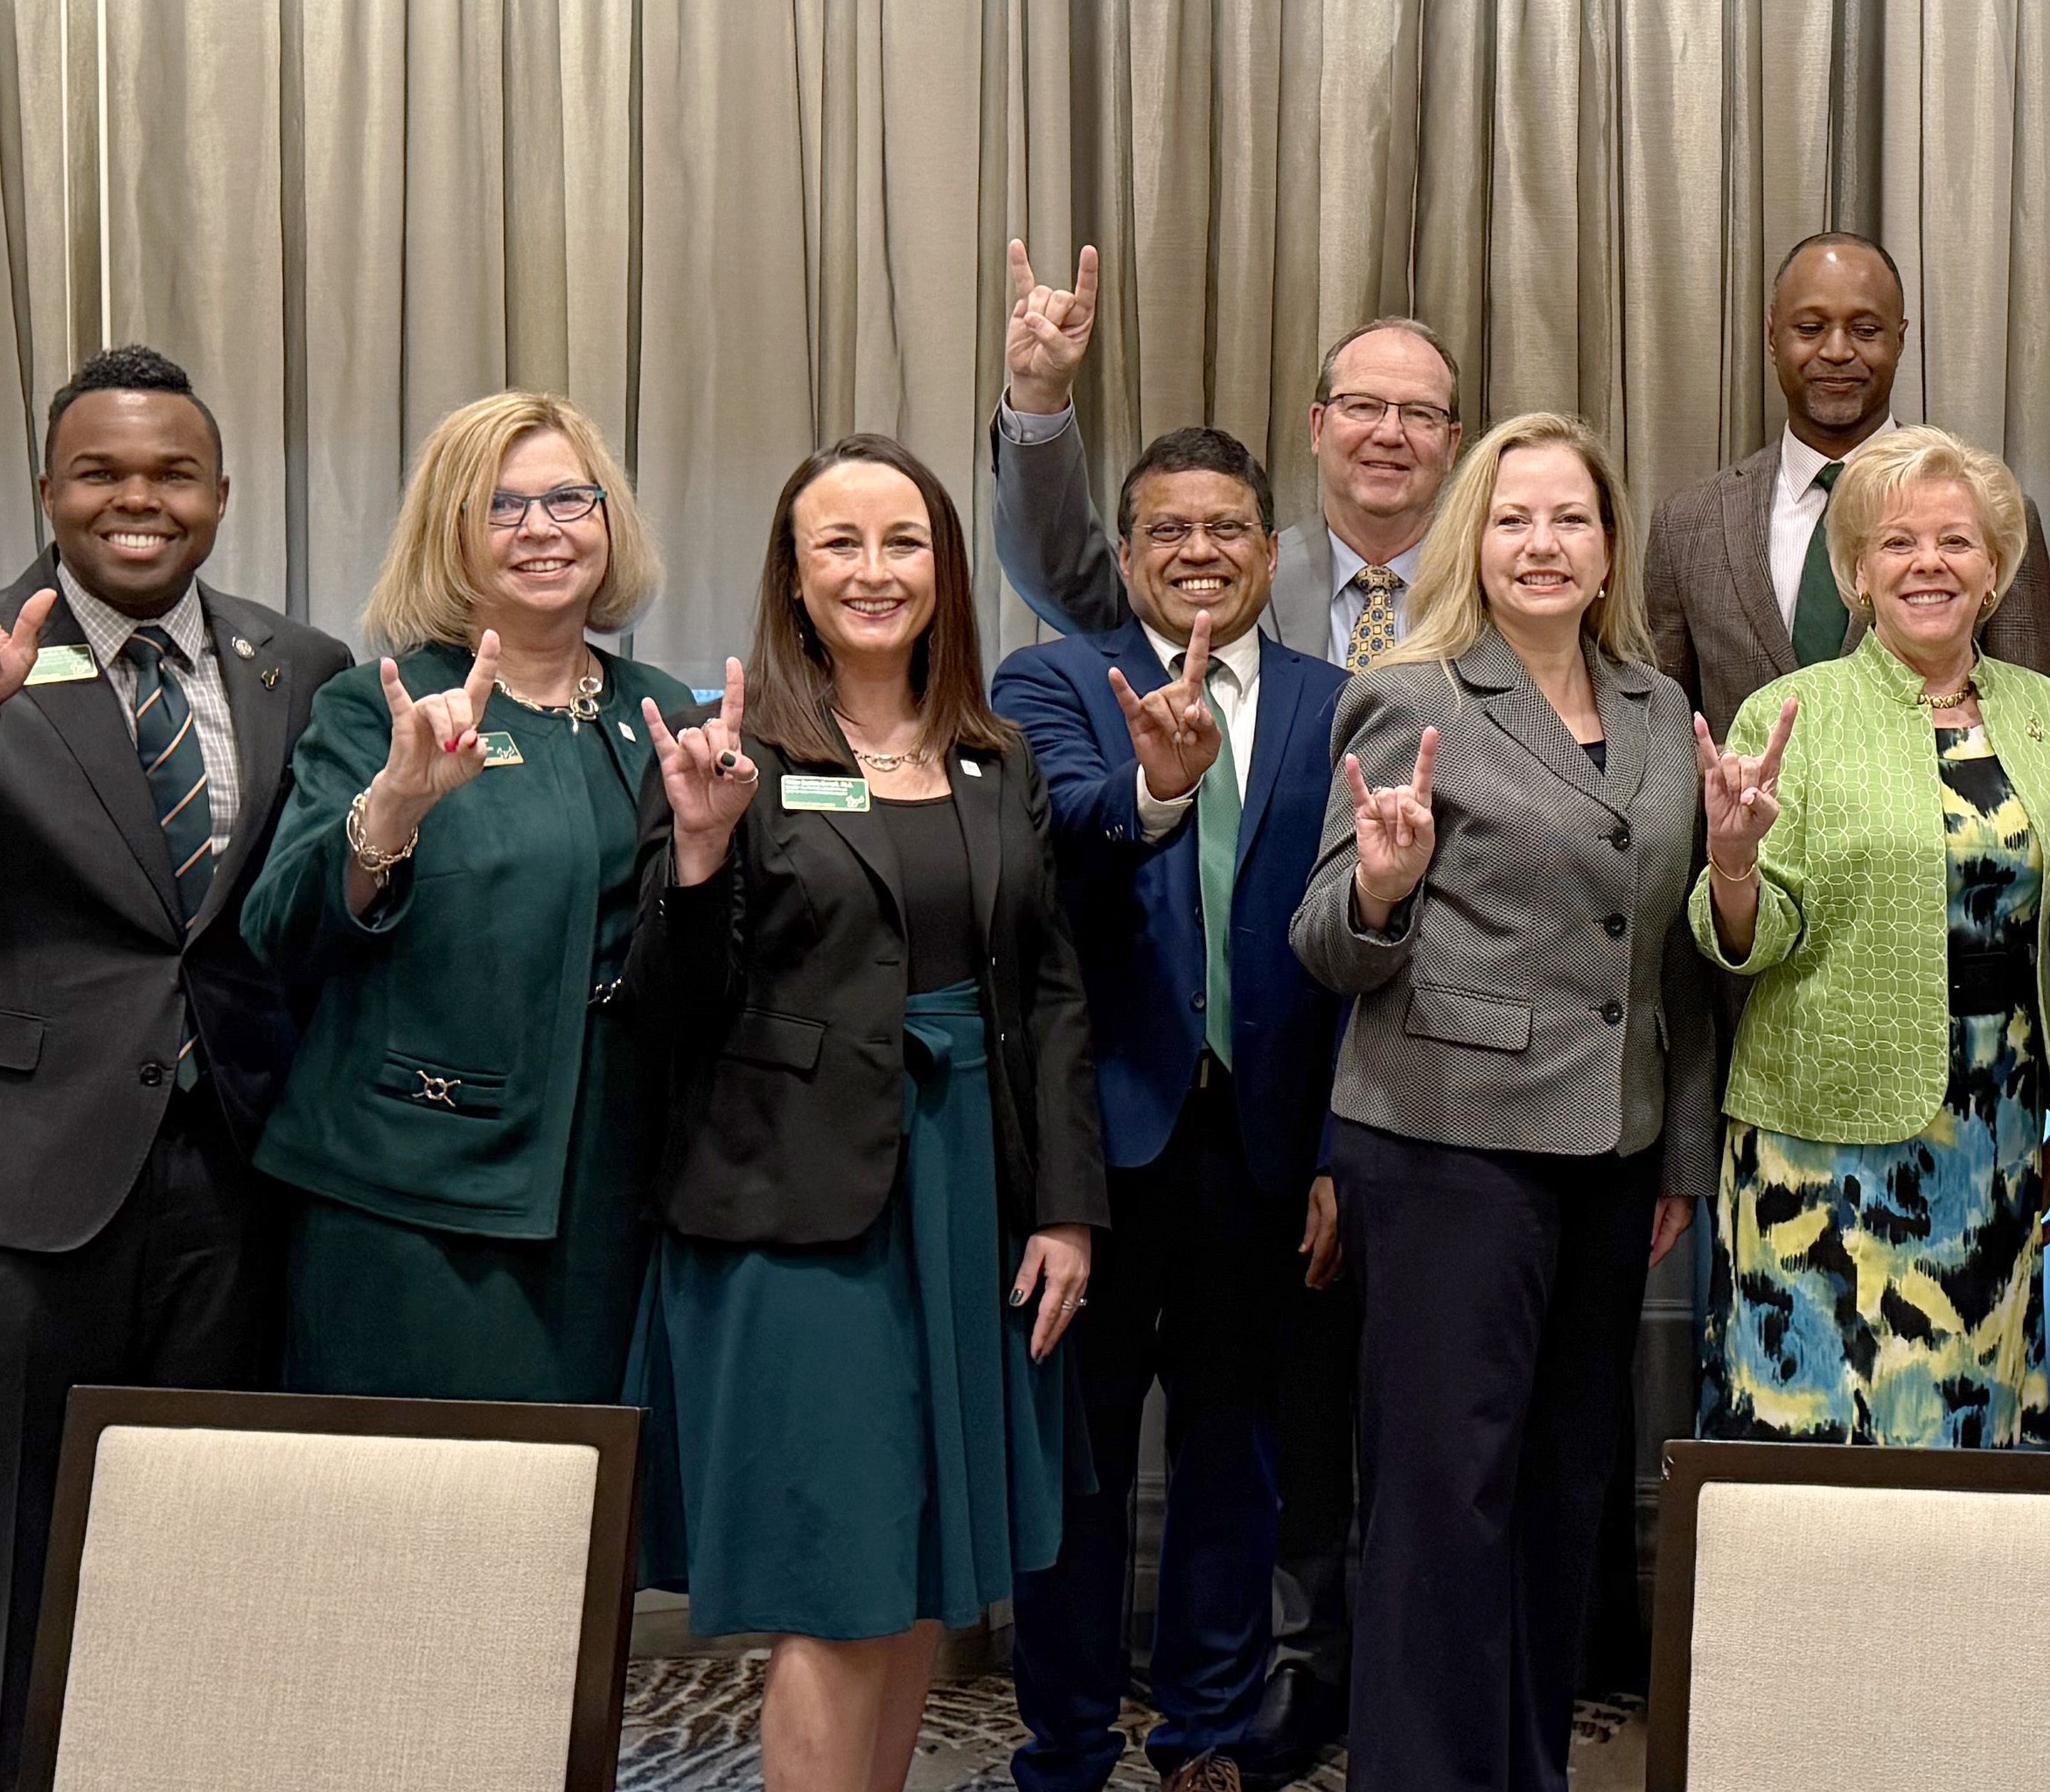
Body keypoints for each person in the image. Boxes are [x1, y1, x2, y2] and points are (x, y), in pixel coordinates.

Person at [0, 347, 352, 1792]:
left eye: (171, 473)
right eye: (101, 472)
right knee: (16, 1556)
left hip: (235, 1181)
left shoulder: (300, 667)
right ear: (48, 490)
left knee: (198, 1560)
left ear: (221, 493)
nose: (137, 500)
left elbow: (301, 916)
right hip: (7, 1190)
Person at [984, 246, 1419, 1755]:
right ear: (1126, 546)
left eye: (1225, 529)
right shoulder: (1050, 683)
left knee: (1239, 1466)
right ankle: (1057, 1746)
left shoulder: (1334, 698)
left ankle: (1206, 1742)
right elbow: (1070, 847)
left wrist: (1331, 1160)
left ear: (1266, 546)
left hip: (1264, 1150)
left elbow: (1361, 942)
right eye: (1165, 528)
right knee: (1084, 1468)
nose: (1196, 551)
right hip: (1094, 1150)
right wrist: (1157, 796)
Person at [624, 434, 1102, 1792]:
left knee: (918, 1577)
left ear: (945, 571)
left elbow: (1051, 996)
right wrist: (703, 853)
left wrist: (1065, 1207)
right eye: (840, 543)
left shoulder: (993, 756)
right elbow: (665, 1008)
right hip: (792, 1209)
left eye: (903, 542)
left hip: (970, 1194)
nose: (874, 570)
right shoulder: (733, 752)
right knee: (836, 1576)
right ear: (791, 571)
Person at [1289, 412, 1720, 1792]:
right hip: (1442, 1144)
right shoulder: (1413, 695)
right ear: (1474, 537)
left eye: (1571, 521)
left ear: (1607, 548)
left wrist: (1677, 1159)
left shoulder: (1660, 710)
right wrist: (1380, 885)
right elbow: (1319, 938)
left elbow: (1668, 963)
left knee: (1559, 1494)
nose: (1542, 544)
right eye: (1514, 518)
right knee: (1442, 1499)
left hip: (1612, 1148)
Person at [239, 391, 696, 1401]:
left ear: (608, 520)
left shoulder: (657, 708)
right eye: (502, 506)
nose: (542, 529)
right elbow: (279, 929)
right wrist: (390, 809)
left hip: (607, 1196)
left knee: (576, 1527)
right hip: (411, 1200)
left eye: (569, 499)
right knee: (414, 1531)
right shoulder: (382, 703)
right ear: (452, 536)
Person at [1688, 425, 2050, 1447]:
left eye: (1957, 542)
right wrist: (1732, 862)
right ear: (1858, 572)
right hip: (1816, 1147)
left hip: (1996, 1133)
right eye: (1898, 543)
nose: (1929, 564)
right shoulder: (1791, 712)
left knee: (1966, 1428)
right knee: (1811, 1436)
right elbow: (1745, 936)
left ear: (1996, 570)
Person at [1642, 230, 2050, 728]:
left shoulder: (1989, 513)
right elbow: (1663, 733)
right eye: (1811, 327)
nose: (1837, 351)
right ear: (1773, 336)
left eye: (1865, 330)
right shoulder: (1687, 525)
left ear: (1900, 340)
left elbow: (2030, 725)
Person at [990, 238, 1460, 672]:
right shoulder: (1232, 568)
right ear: (1318, 428)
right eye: (1362, 407)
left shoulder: (1497, 589)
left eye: (1421, 414)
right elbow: (1061, 572)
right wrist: (1040, 395)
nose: (1389, 433)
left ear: (1453, 443)